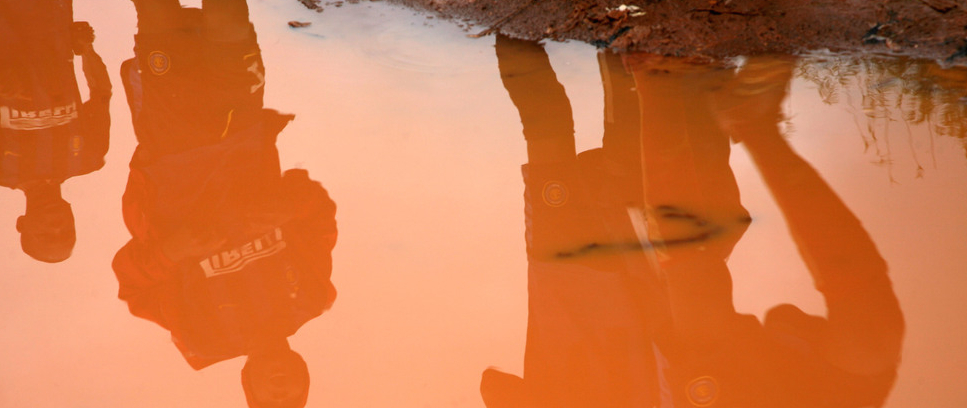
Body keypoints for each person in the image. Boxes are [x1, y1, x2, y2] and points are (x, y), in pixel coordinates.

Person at [482, 35, 904, 408]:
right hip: (612, 286)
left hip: (581, 276)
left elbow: (496, 389)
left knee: (679, 237)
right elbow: (496, 387)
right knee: (695, 226)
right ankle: (722, 106)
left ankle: (657, 73)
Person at [112, 2, 336, 407]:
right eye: (292, 395)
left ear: (249, 383)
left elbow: (131, 283)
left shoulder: (201, 337)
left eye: (271, 398)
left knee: (158, 17)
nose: (281, 388)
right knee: (229, 18)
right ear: (303, 372)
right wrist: (288, 207)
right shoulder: (313, 296)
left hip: (171, 149)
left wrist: (170, 251)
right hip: (242, 131)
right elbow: (318, 208)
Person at [0, 0, 111, 263]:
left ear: (22, 224)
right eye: (66, 232)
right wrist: (86, 49)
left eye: (47, 235)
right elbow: (101, 93)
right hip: (50, 21)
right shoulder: (90, 157)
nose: (57, 226)